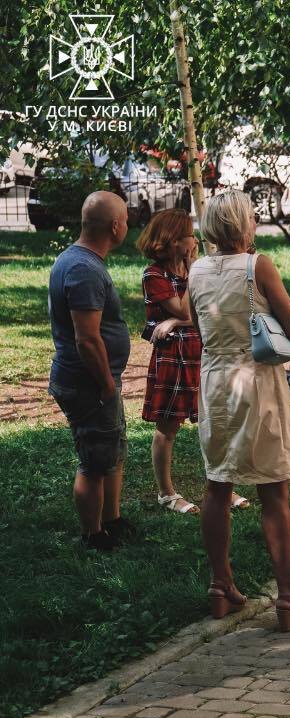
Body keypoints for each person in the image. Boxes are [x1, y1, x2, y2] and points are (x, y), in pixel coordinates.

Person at [188, 190, 290, 630]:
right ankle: (287, 599)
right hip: (259, 383)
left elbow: (198, 326)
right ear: (244, 225)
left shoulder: (195, 270)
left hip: (215, 384)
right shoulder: (258, 266)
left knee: (217, 486)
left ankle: (220, 586)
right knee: (273, 493)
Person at [138, 209, 249, 515]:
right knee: (168, 428)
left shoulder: (196, 270)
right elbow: (189, 311)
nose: (195, 239)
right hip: (174, 359)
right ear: (173, 240)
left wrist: (172, 323)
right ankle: (167, 493)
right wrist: (190, 274)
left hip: (201, 352)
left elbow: (211, 309)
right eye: (189, 234)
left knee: (214, 421)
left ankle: (222, 486)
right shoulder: (154, 275)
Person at [47, 191, 135, 550]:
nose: (128, 224)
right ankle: (93, 535)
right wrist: (106, 386)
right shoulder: (83, 269)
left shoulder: (77, 259)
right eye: (126, 219)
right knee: (94, 460)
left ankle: (112, 520)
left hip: (98, 382)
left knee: (111, 451)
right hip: (90, 384)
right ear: (115, 226)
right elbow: (87, 340)